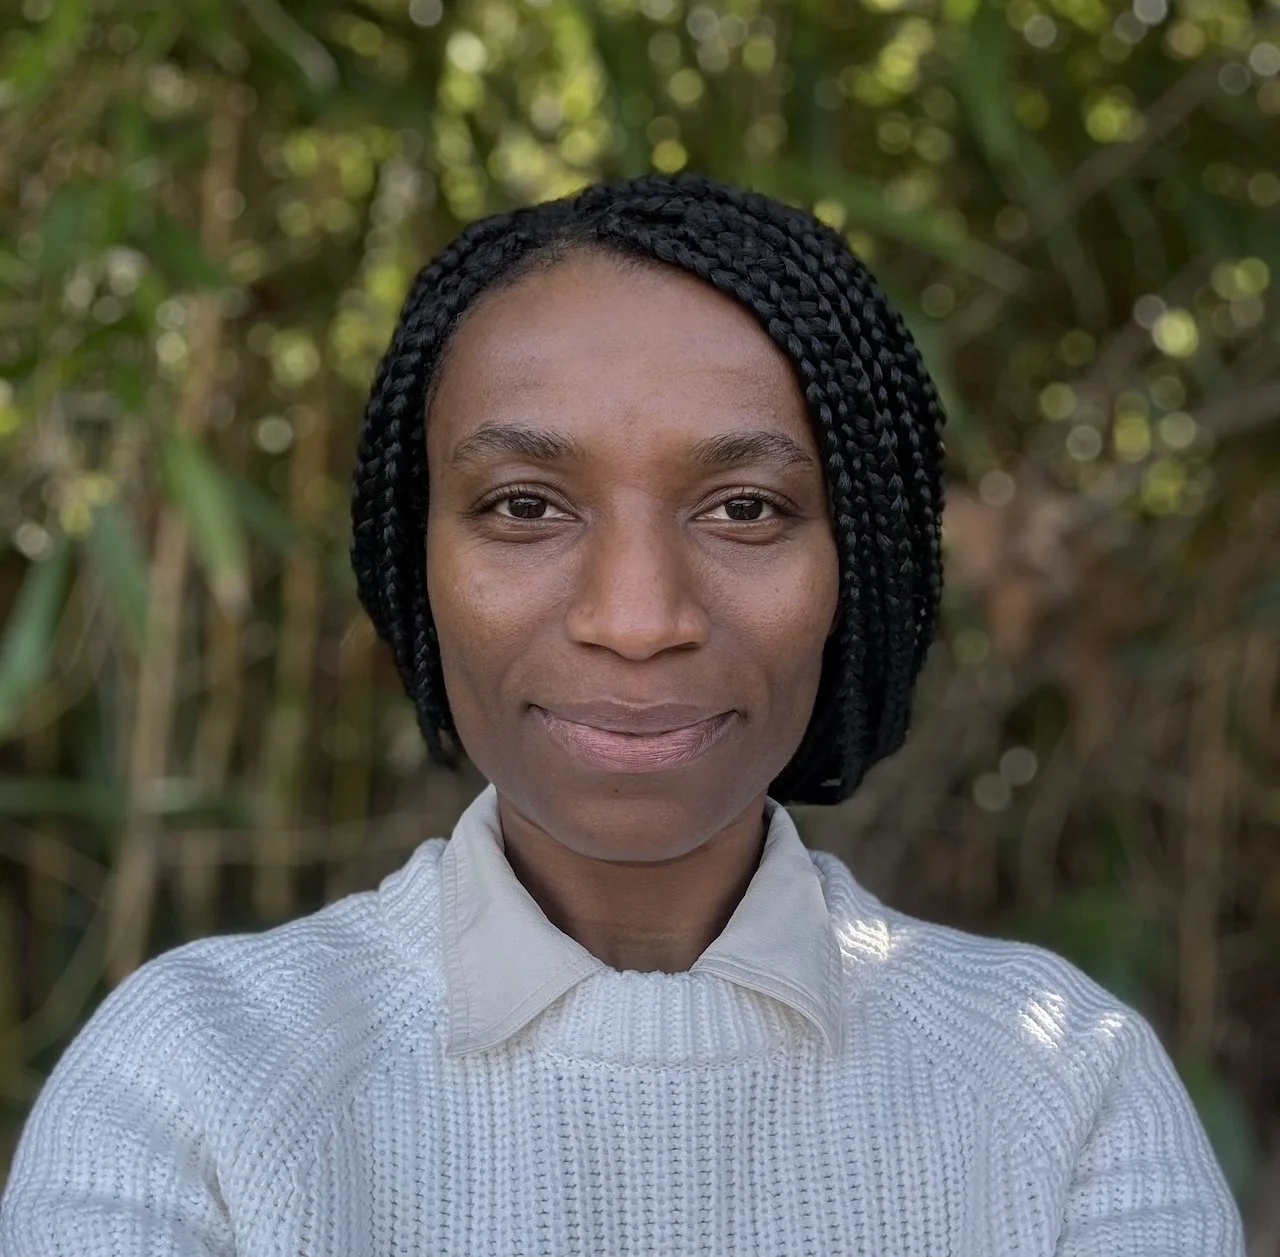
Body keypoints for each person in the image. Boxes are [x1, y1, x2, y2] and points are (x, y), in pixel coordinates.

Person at [0, 174, 1244, 1256]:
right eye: (525, 507)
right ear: (410, 560)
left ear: (858, 566)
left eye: (745, 509)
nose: (638, 617)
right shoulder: (196, 1080)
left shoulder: (1061, 1085)